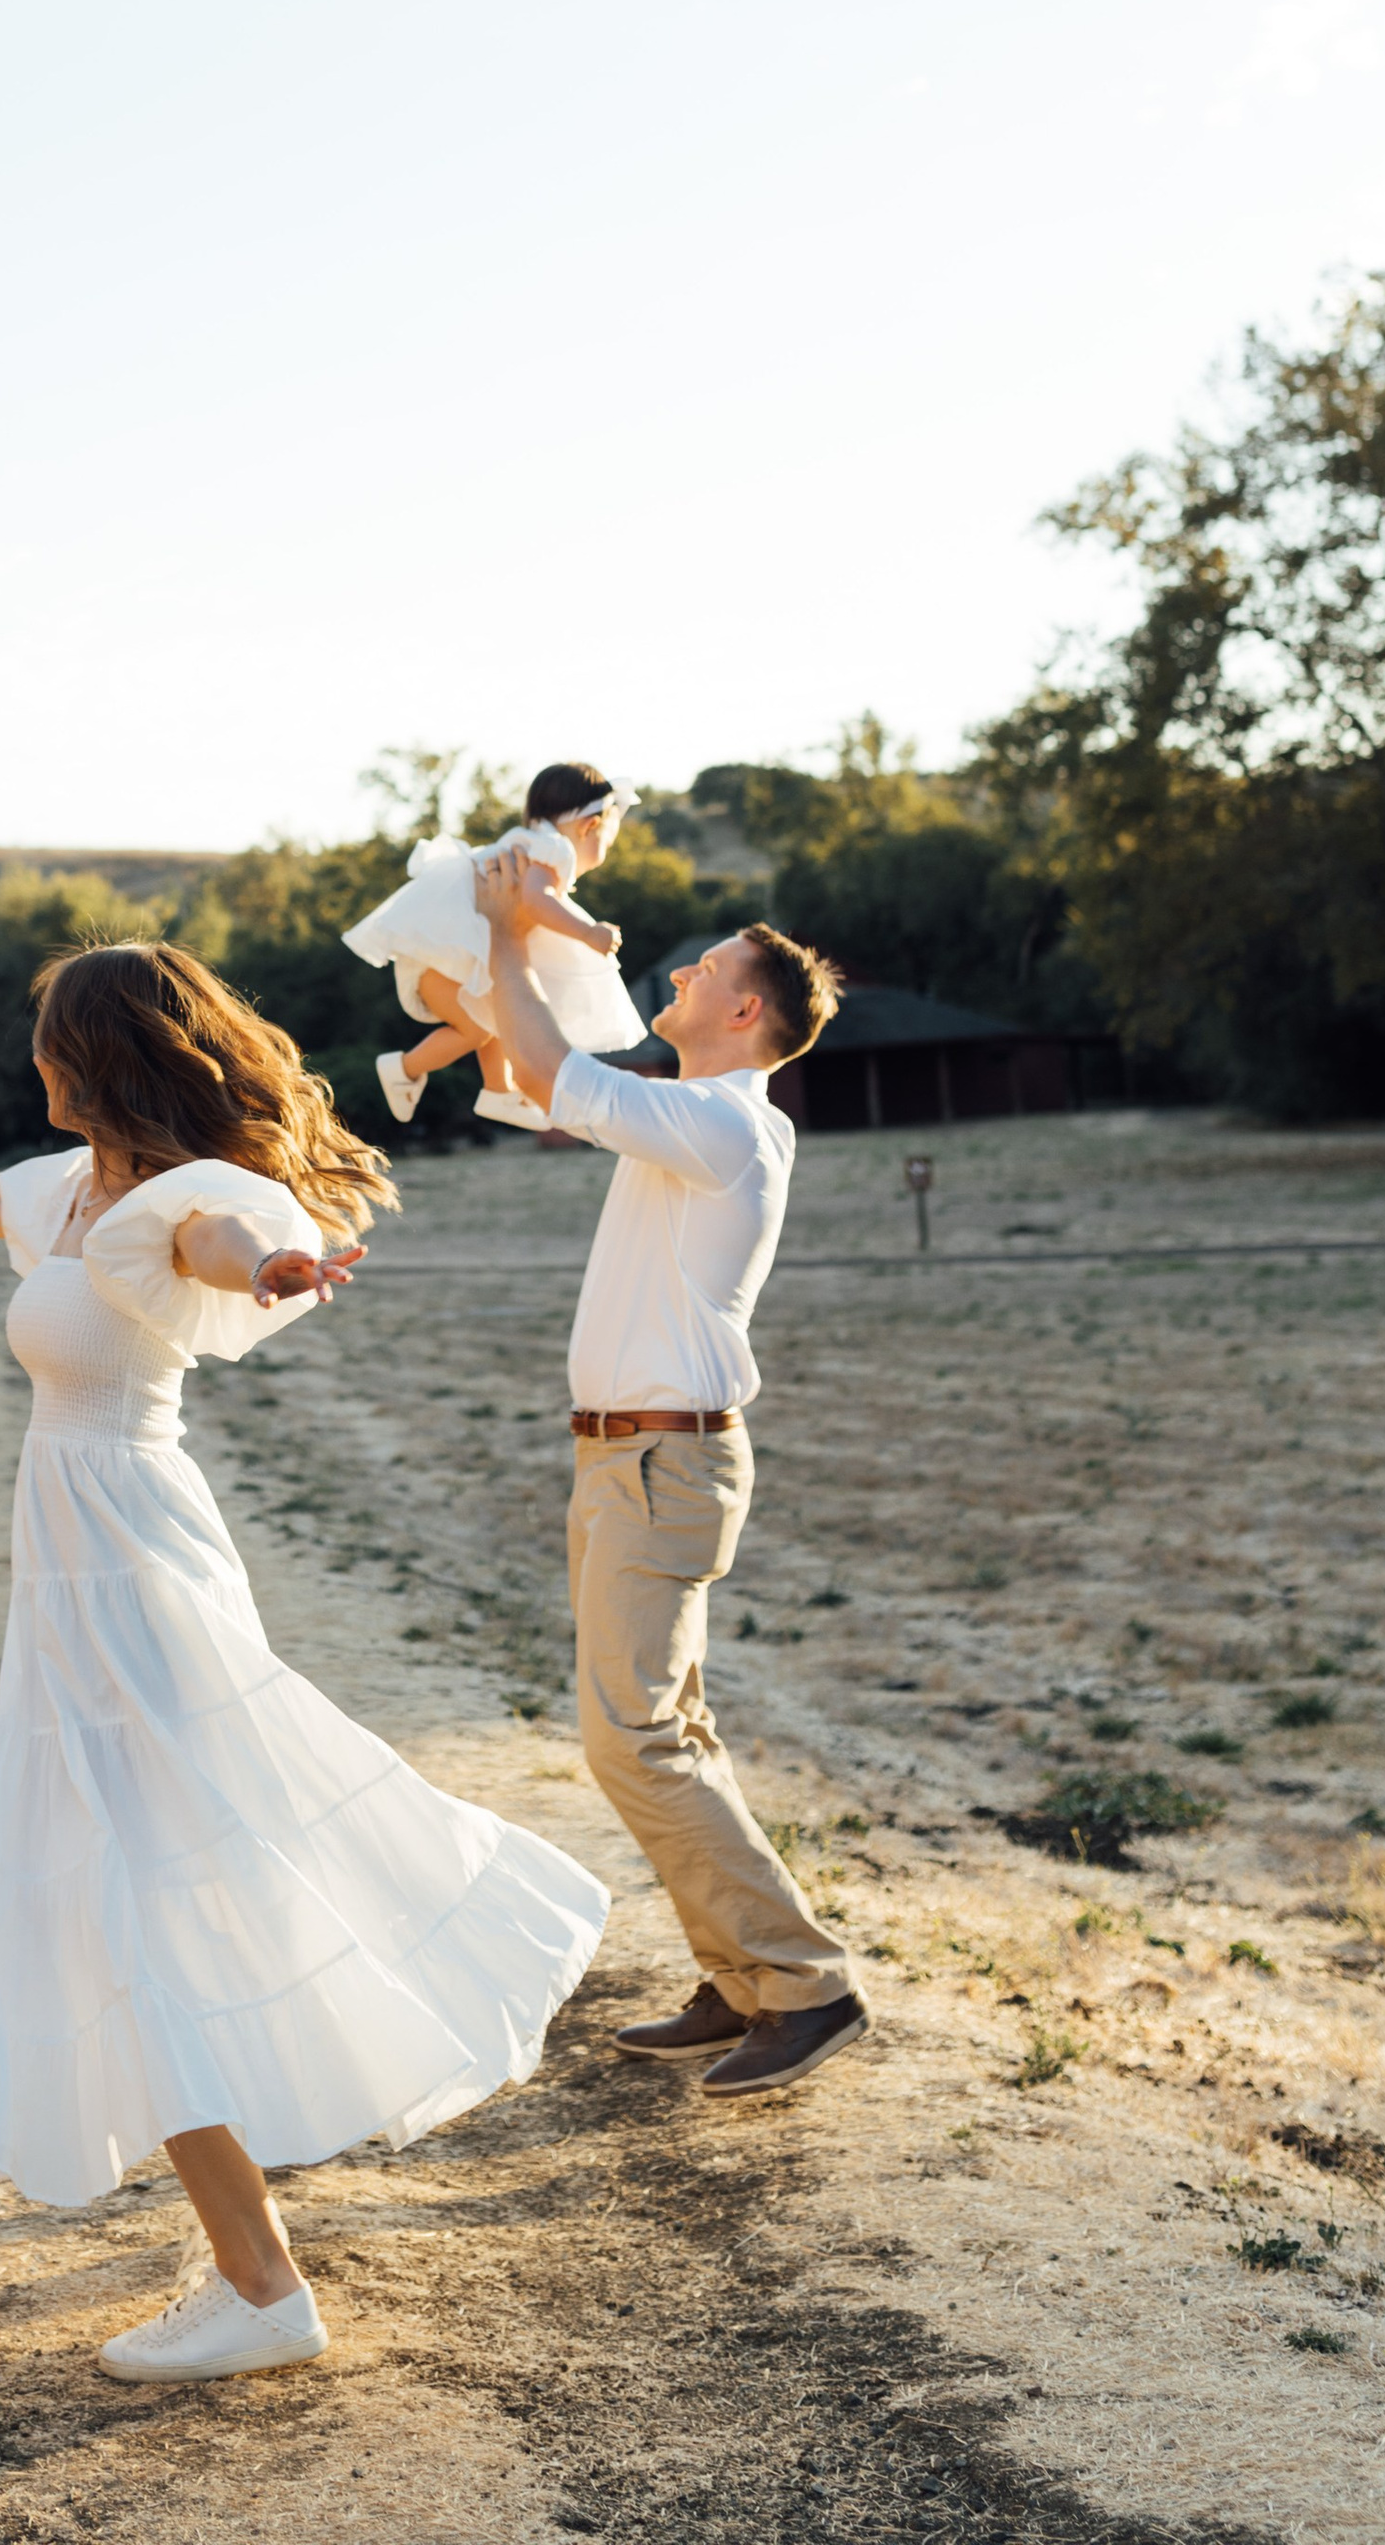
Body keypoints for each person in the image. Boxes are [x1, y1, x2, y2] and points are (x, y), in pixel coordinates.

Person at [0, 940, 608, 2381]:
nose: (35, 1068)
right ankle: (252, 2271)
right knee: (120, 1892)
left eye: (49, 1045)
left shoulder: (182, 1202)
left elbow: (229, 1249)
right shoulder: (72, 1189)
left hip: (129, 1558)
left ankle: (259, 2287)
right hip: (74, 1573)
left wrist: (285, 1260)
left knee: (144, 1893)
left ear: (101, 1058)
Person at [472, 853, 868, 2100]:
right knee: (667, 1730)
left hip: (662, 1459)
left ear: (746, 1011)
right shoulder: (679, 1115)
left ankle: (804, 1987)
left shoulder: (724, 1121)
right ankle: (743, 1978)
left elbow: (549, 1071)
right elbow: (524, 1078)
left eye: (702, 970)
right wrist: (495, 961)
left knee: (630, 1739)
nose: (680, 973)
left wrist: (505, 925)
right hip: (630, 1459)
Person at [343, 760, 647, 1134]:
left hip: (440, 953)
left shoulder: (527, 841)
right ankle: (404, 1069)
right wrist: (588, 932)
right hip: (439, 959)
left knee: (496, 1014)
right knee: (477, 1027)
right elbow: (538, 900)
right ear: (590, 826)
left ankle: (498, 1091)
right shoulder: (554, 850)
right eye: (609, 841)